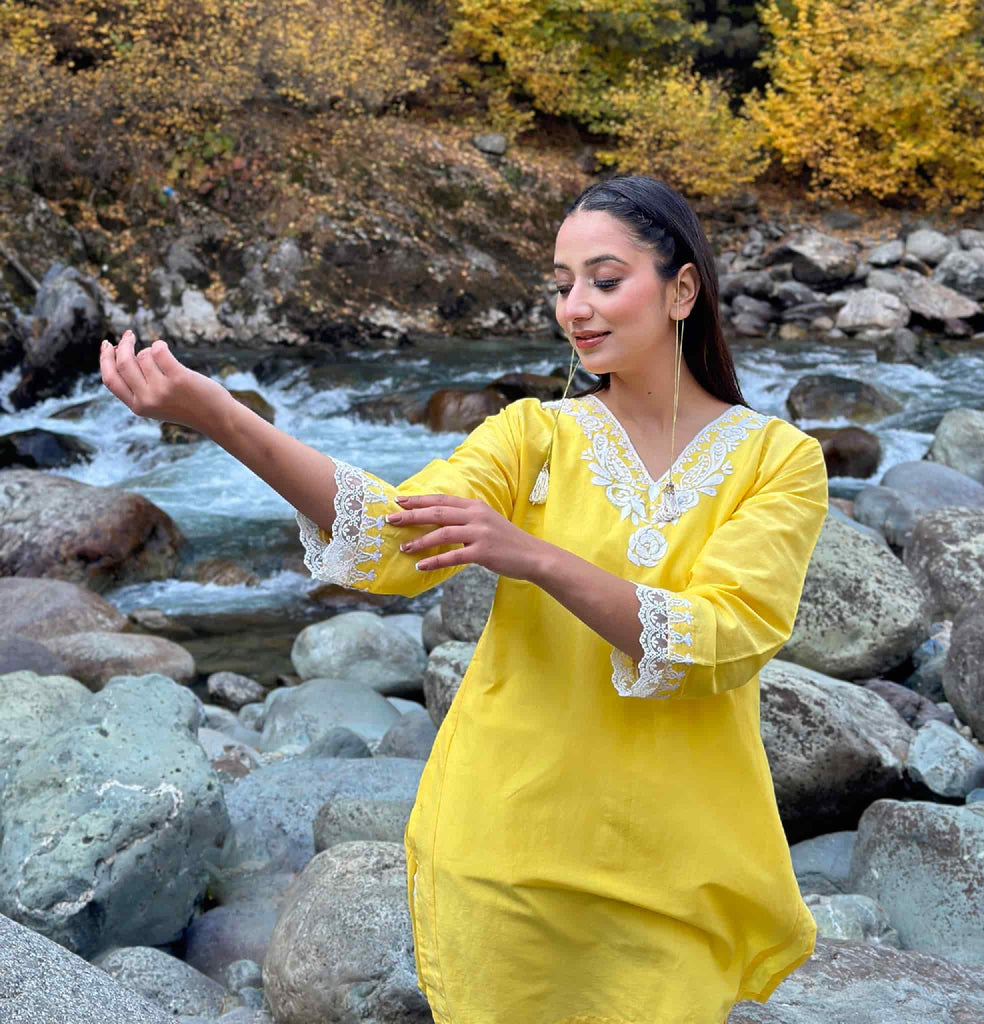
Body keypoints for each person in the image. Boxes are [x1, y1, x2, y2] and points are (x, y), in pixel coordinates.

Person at [100, 175, 828, 1024]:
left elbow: (722, 637)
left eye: (604, 279)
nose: (576, 308)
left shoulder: (778, 461)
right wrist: (223, 417)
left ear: (682, 289)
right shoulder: (532, 436)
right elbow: (389, 538)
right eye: (562, 285)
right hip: (506, 850)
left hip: (679, 863)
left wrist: (536, 557)